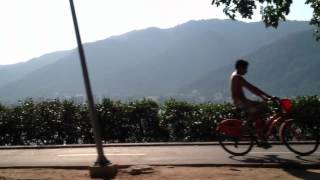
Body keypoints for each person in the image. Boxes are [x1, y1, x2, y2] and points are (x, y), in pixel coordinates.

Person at [230, 59, 275, 147]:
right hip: (240, 102)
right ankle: (247, 126)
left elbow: (253, 89)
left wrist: (263, 97)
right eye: (245, 68)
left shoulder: (235, 75)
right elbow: (252, 88)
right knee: (260, 110)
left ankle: (259, 133)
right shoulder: (237, 77)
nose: (246, 71)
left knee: (262, 106)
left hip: (243, 101)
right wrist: (269, 96)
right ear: (240, 68)